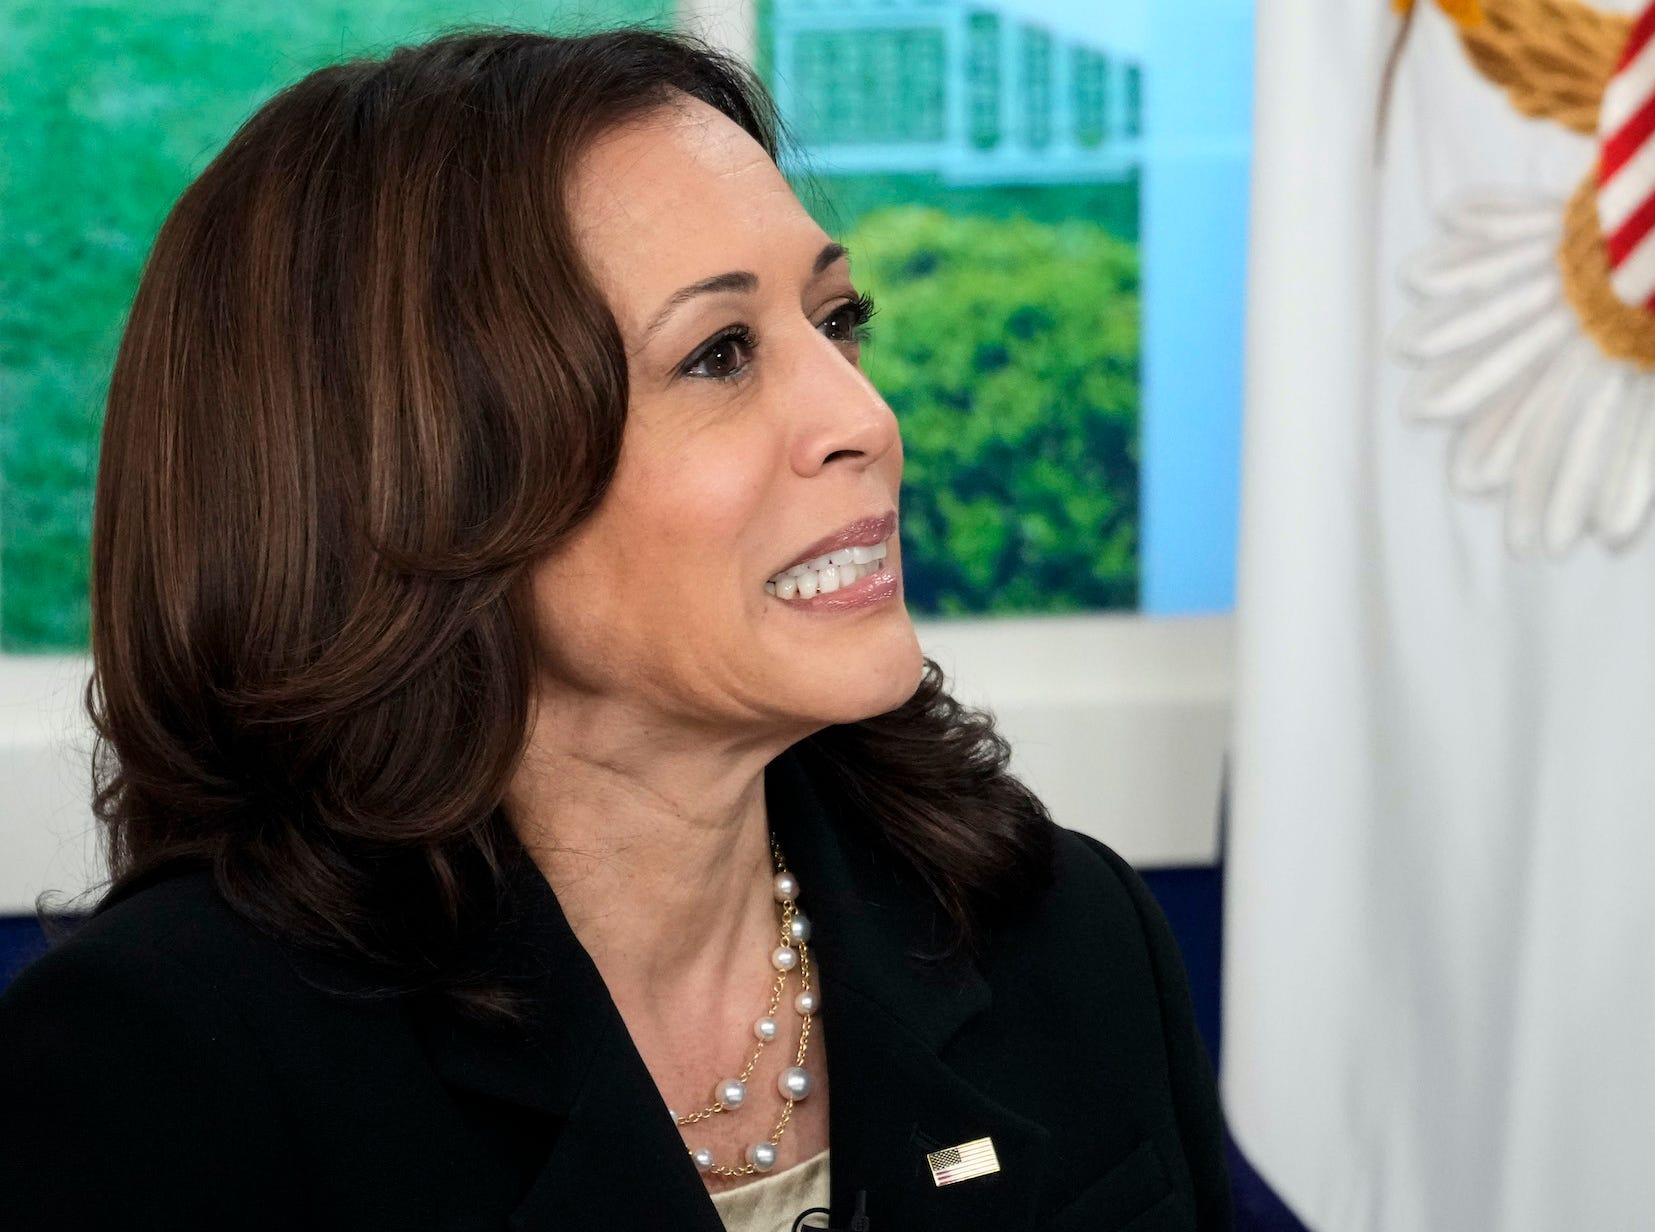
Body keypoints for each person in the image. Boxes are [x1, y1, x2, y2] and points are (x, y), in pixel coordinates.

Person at [0, 28, 1230, 1232]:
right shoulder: (157, 1077)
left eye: (838, 317)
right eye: (720, 354)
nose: (863, 417)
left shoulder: (1068, 936)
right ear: (421, 483)